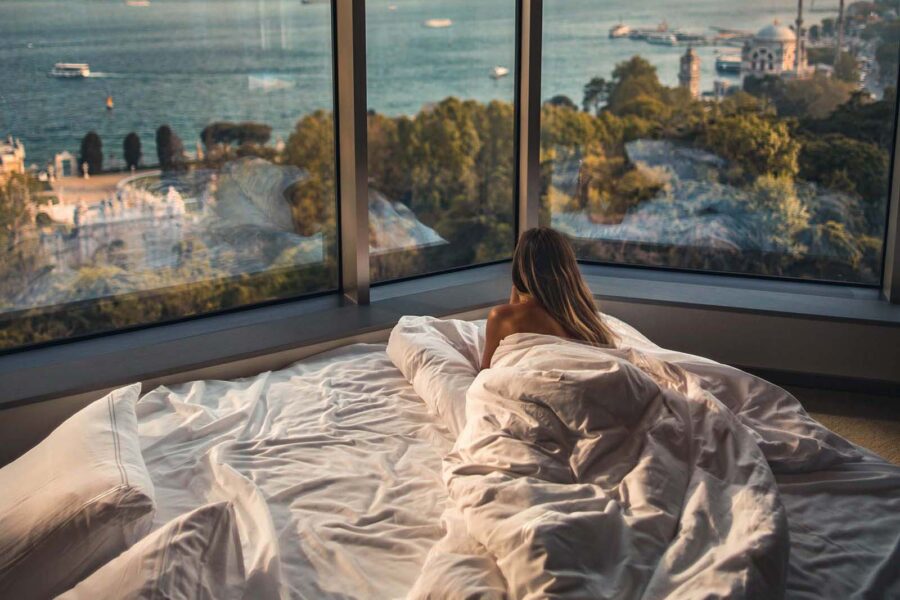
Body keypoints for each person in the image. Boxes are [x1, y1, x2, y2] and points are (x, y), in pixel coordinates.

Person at [481, 227, 617, 369]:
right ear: (568, 267)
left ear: (520, 267)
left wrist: (514, 303)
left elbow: (486, 372)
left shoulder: (502, 317)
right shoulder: (587, 321)